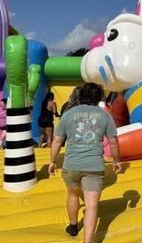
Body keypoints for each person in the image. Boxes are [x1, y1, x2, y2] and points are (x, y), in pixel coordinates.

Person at [49, 83, 122, 241]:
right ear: (98, 98)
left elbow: (56, 141)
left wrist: (52, 161)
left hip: (71, 165)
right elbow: (114, 142)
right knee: (91, 205)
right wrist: (116, 160)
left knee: (73, 195)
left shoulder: (69, 114)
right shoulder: (104, 115)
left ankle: (73, 226)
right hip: (94, 167)